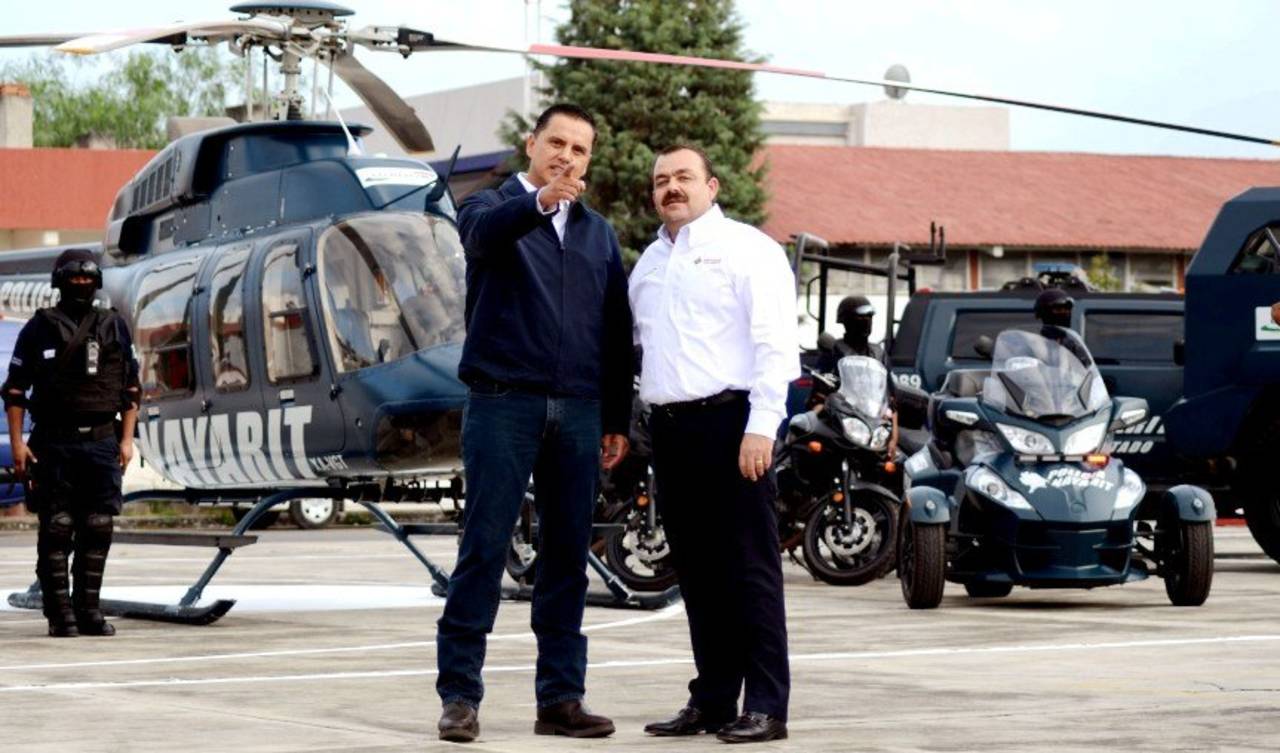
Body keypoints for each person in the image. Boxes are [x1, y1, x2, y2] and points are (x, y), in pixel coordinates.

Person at [435, 103, 634, 743]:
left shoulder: (598, 234)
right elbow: (479, 240)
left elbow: (615, 331)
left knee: (568, 557)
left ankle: (561, 698)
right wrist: (540, 203)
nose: (567, 157)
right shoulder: (488, 207)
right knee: (484, 548)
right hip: (503, 403)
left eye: (579, 149)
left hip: (578, 411)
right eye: (557, 143)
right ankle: (460, 696)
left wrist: (616, 417)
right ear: (531, 143)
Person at [631, 145, 798, 744]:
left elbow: (776, 345)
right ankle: (714, 699)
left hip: (733, 426)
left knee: (751, 569)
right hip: (671, 432)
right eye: (661, 180)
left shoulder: (749, 249)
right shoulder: (648, 264)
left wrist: (762, 426)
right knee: (698, 573)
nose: (671, 188)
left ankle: (767, 706)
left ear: (713, 186)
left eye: (684, 177)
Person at [3, 248, 140, 638]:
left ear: (96, 282)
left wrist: (126, 440)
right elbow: (14, 392)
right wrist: (18, 444)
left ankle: (89, 610)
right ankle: (60, 615)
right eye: (74, 278)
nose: (81, 284)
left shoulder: (114, 326)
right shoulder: (38, 328)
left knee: (98, 527)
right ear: (59, 282)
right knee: (57, 527)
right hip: (53, 442)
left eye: (87, 278)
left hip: (102, 441)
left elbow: (131, 389)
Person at [1033, 288, 1092, 365]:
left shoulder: (1073, 346)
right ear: (1043, 312)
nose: (1064, 312)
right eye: (1058, 309)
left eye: (1067, 309)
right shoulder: (1033, 344)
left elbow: (1087, 368)